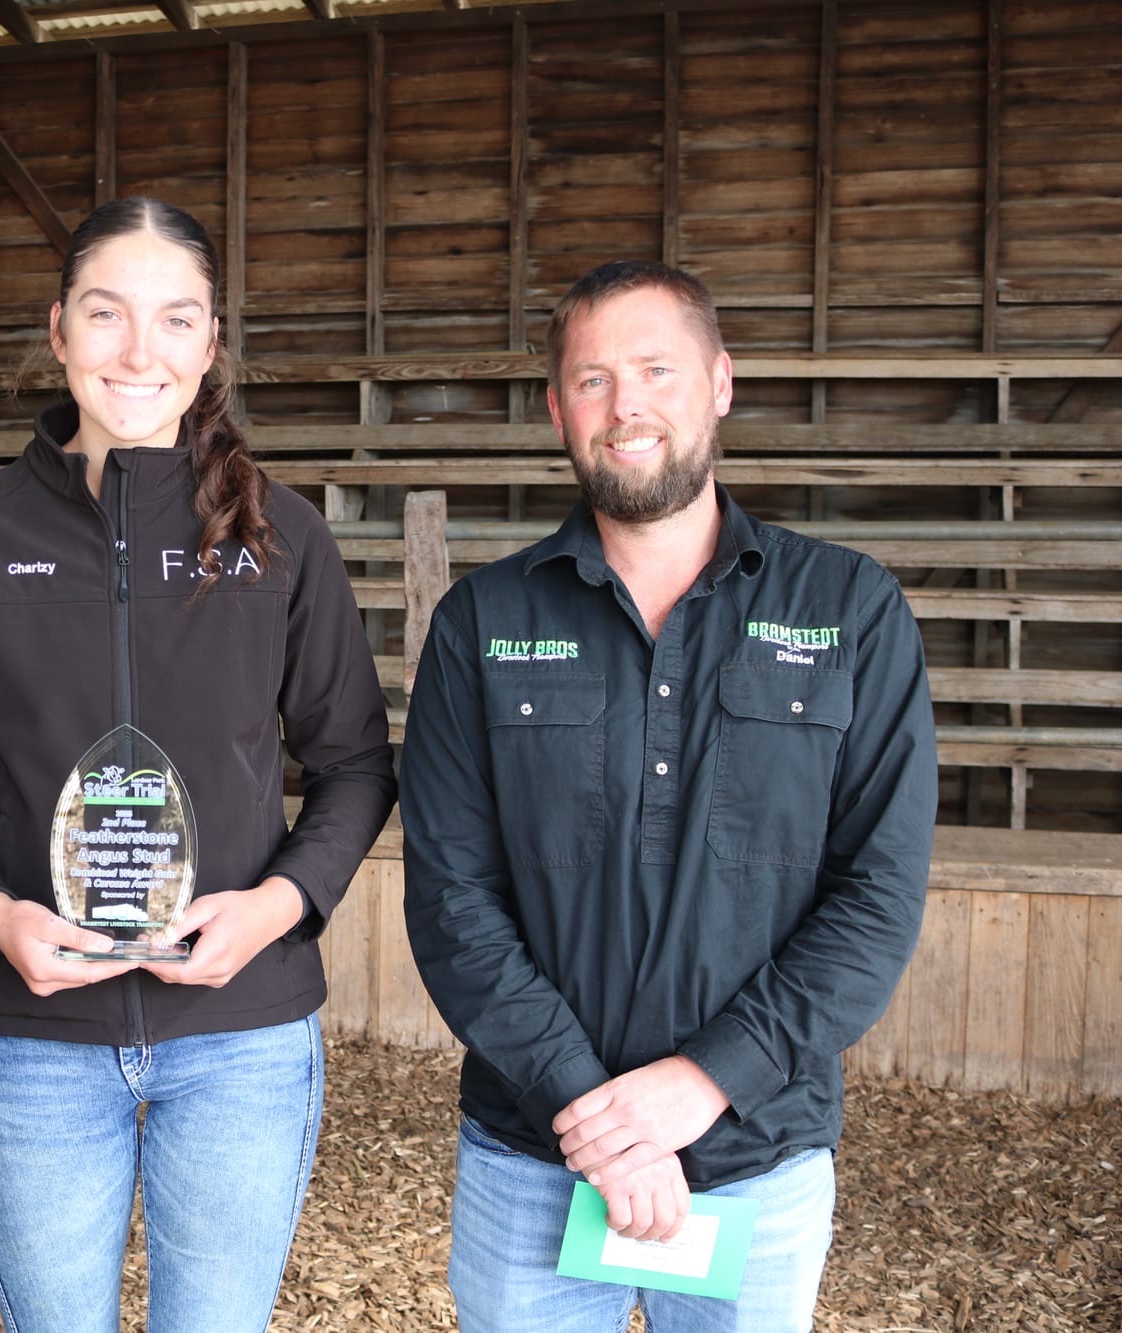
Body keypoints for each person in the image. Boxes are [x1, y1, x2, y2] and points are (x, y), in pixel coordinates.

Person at [0, 196, 396, 1333]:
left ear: (209, 343)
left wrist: (274, 907)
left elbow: (355, 764)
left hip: (240, 1037)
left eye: (175, 320)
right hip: (36, 1040)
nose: (137, 351)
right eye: (106, 314)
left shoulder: (278, 538)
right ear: (58, 328)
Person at [401, 259, 938, 1332]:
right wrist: (589, 1111)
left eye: (655, 369)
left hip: (754, 1156)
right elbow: (452, 899)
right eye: (591, 379)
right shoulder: (481, 618)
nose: (625, 405)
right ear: (555, 407)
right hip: (533, 1157)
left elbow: (876, 894)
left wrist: (698, 1083)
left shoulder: (847, 606)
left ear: (719, 382)